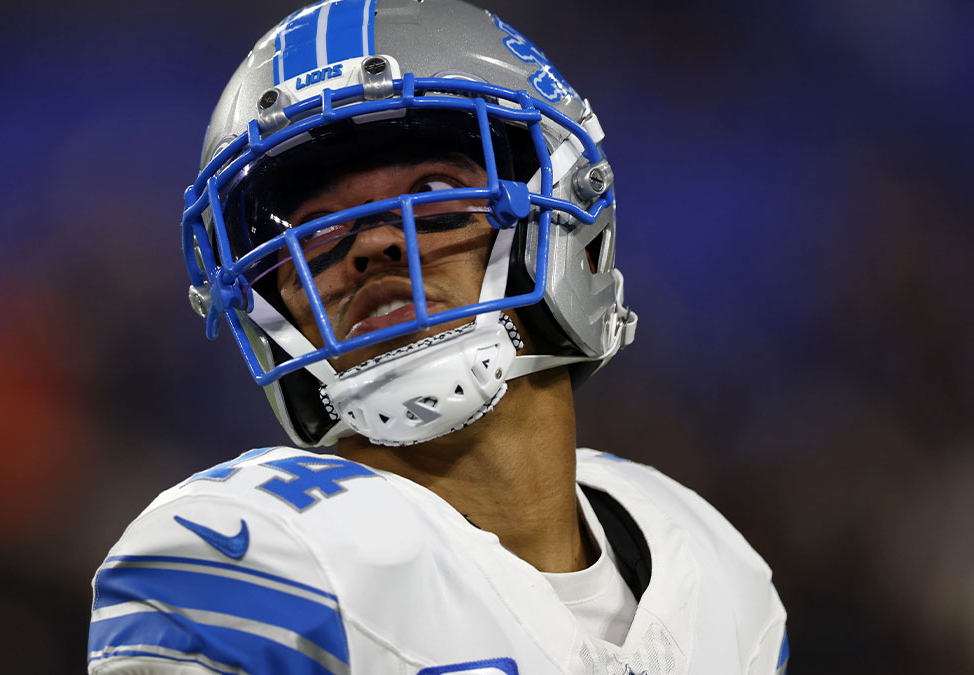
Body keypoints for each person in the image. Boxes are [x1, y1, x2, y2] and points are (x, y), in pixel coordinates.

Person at [87, 1, 788, 673]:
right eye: (317, 230)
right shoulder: (256, 558)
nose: (375, 244)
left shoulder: (710, 564)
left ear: (563, 218)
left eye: (433, 187)